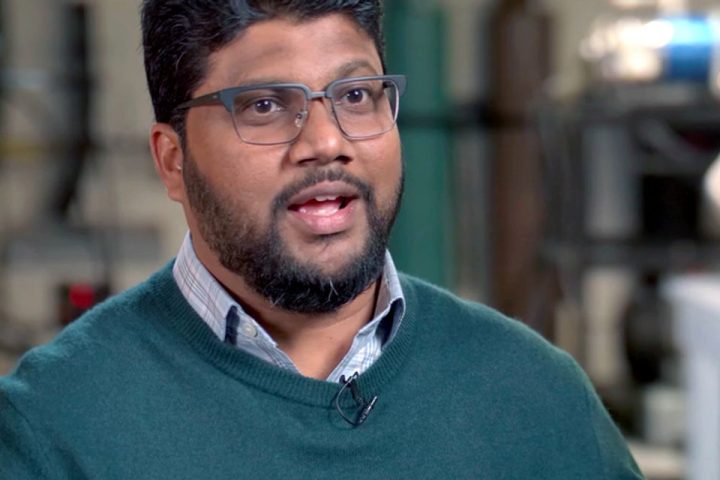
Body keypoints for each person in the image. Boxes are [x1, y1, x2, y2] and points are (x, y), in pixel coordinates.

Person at [0, 1, 644, 478]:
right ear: (173, 161)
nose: (326, 141)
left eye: (357, 95)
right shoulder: (55, 426)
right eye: (263, 105)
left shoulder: (534, 396)